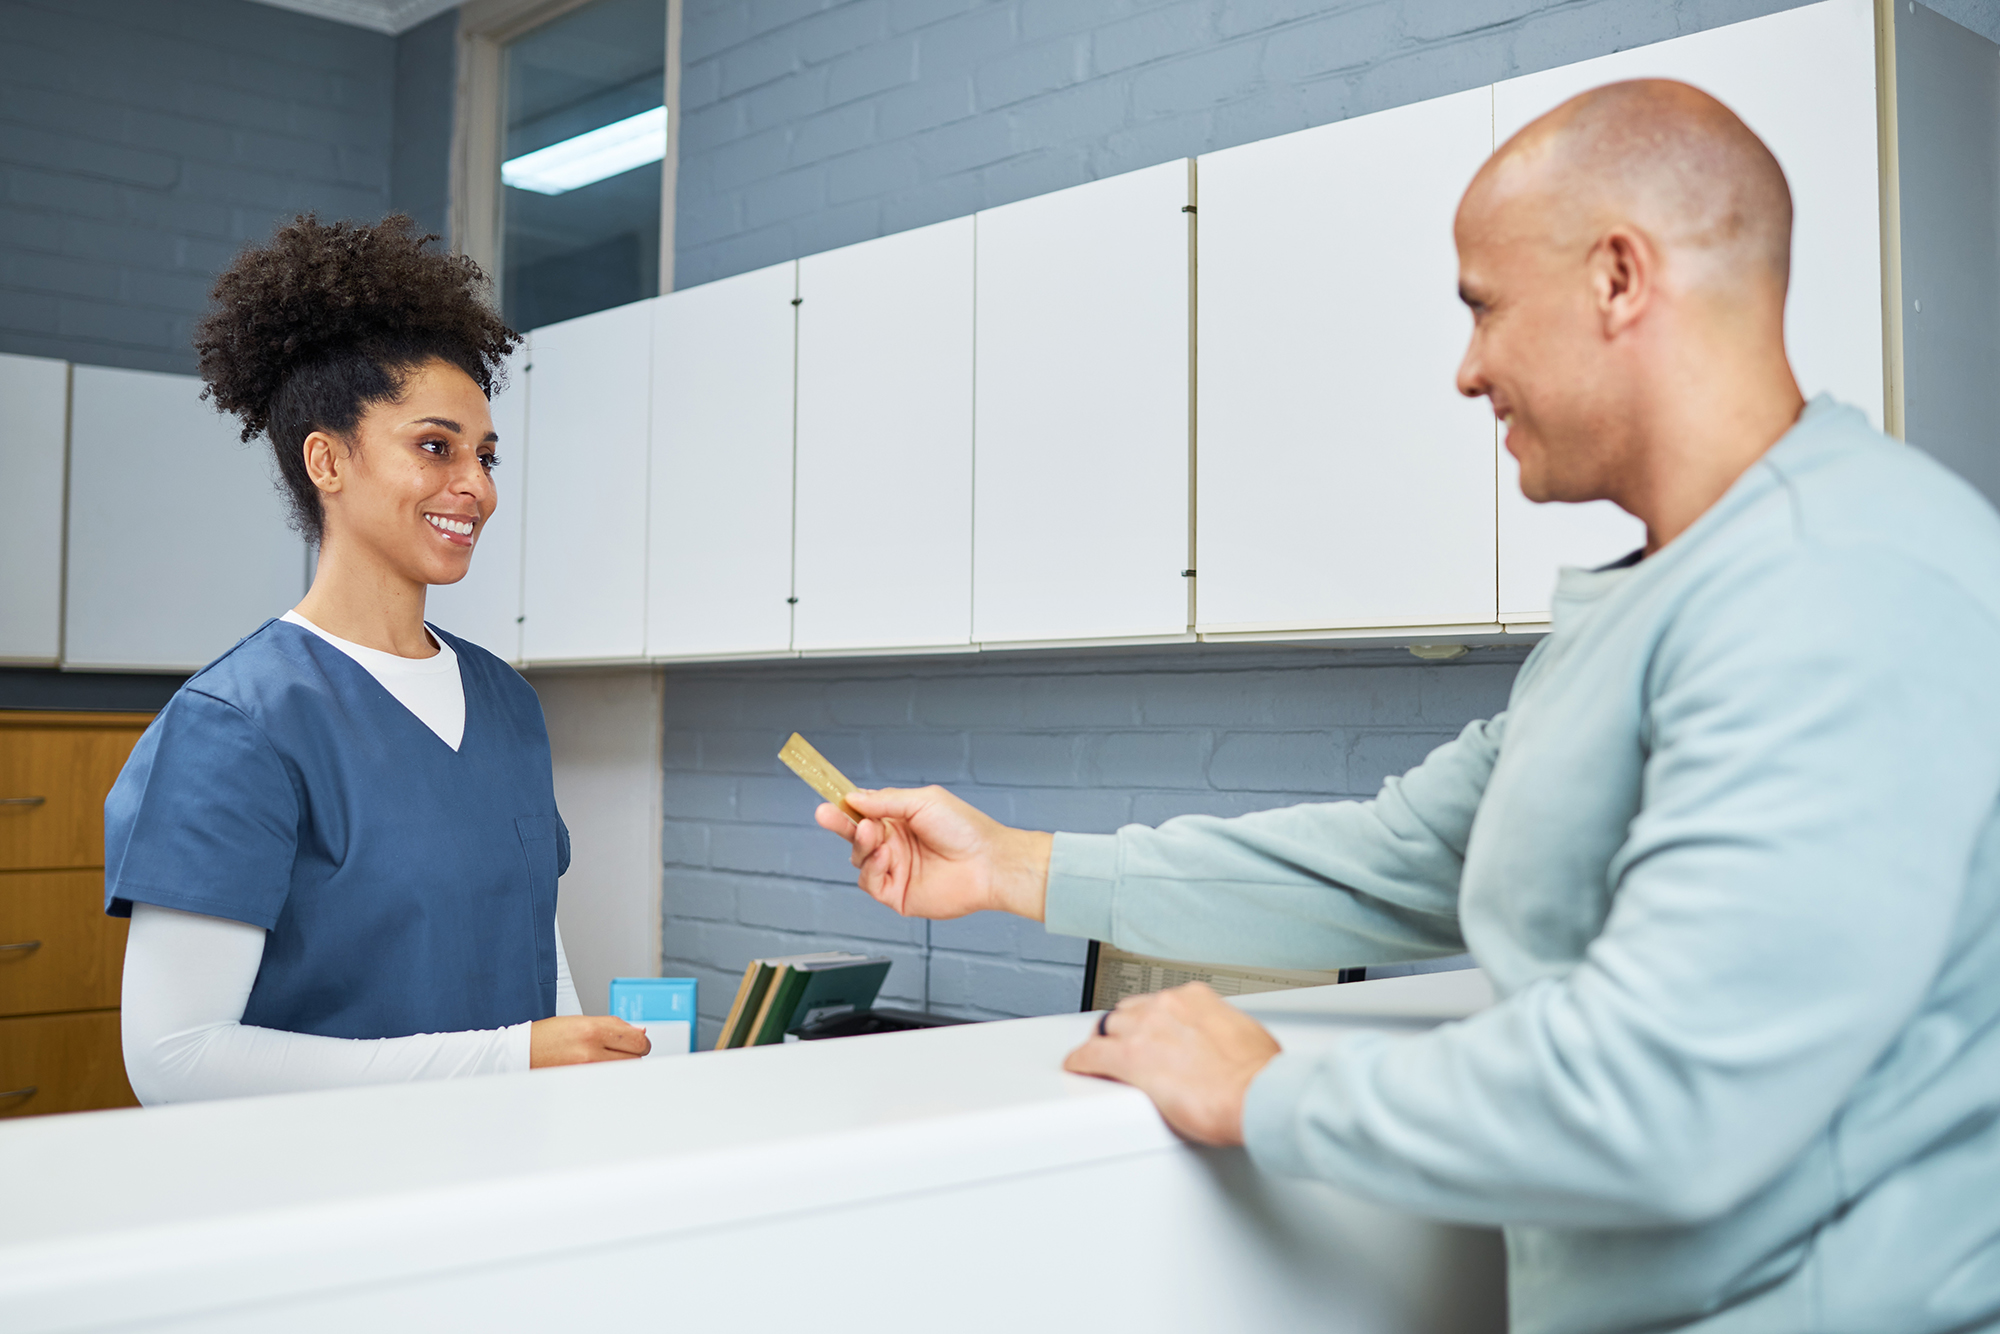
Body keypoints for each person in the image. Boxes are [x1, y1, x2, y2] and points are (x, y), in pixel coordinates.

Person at [817, 81, 2000, 1332]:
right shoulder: (1671, 595)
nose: (1466, 368)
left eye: (1483, 306)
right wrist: (1012, 864)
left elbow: (1666, 1096)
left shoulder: (1841, 580)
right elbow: (1393, 853)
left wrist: (1270, 1094)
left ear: (1616, 278)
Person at [108, 215, 649, 1104]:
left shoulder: (507, 703)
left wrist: (576, 1084)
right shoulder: (234, 727)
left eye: (485, 455)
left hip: (502, 1182)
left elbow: (539, 969)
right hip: (326, 1204)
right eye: (434, 447)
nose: (475, 485)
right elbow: (174, 1060)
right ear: (327, 459)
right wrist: (509, 1057)